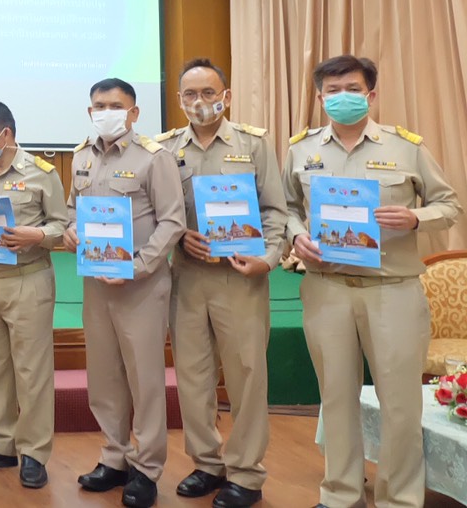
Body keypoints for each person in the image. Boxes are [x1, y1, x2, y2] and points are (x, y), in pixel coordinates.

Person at [285, 55, 460, 508]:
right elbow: (282, 208)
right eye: (332, 91)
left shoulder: (407, 147)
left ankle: (399, 498)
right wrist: (296, 234)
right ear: (320, 97)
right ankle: (341, 494)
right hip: (326, 290)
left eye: (352, 88)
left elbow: (449, 205)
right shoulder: (301, 149)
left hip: (393, 291)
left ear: (371, 94)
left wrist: (415, 217)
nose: (342, 97)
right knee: (336, 398)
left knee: (400, 406)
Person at [157, 60, 286, 508]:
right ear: (178, 101)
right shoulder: (165, 148)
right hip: (188, 277)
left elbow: (275, 211)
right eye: (190, 95)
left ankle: (247, 474)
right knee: (193, 377)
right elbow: (157, 214)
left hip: (241, 278)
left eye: (209, 93)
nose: (200, 102)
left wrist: (267, 260)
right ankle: (207, 464)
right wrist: (176, 237)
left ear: (226, 96)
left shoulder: (253, 143)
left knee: (247, 376)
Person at [63, 77, 185, 508]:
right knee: (104, 375)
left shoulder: (155, 158)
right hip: (96, 284)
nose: (106, 111)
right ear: (90, 111)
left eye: (116, 105)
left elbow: (173, 220)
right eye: (99, 105)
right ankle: (113, 456)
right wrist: (71, 232)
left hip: (141, 285)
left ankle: (147, 468)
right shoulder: (81, 157)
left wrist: (138, 265)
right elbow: (71, 215)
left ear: (134, 113)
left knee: (145, 379)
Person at [0, 99, 68, 489]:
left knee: (31, 372)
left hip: (28, 279)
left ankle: (34, 453)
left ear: (7, 133)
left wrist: (37, 235)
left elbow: (63, 226)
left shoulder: (41, 173)